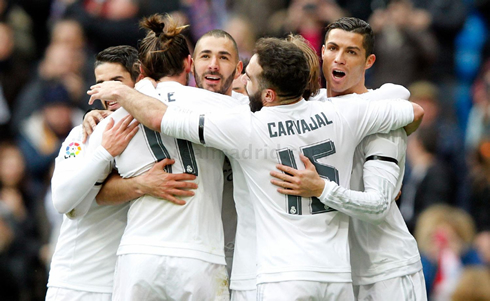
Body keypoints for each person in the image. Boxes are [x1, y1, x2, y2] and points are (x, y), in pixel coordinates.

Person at [88, 27, 423, 301]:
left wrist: (121, 93)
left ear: (268, 95)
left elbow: (160, 117)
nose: (240, 82)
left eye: (247, 77)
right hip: (336, 275)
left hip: (282, 276)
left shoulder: (245, 127)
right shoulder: (344, 113)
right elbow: (413, 111)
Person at [84, 15, 250, 300]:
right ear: (189, 64)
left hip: (138, 256)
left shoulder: (112, 119)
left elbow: (88, 194)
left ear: (142, 70)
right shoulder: (224, 106)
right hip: (199, 258)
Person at [269, 17, 427, 300]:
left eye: (351, 52)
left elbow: (379, 204)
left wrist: (321, 189)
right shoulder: (306, 107)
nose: (339, 59)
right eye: (332, 48)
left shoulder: (382, 114)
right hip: (334, 271)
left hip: (385, 270)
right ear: (322, 52)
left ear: (369, 61)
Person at [47, 45, 197, 301]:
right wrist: (104, 153)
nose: (108, 91)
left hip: (126, 283)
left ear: (137, 81)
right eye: (100, 83)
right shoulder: (84, 135)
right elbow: (62, 201)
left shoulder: (159, 130)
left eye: (116, 81)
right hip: (76, 284)